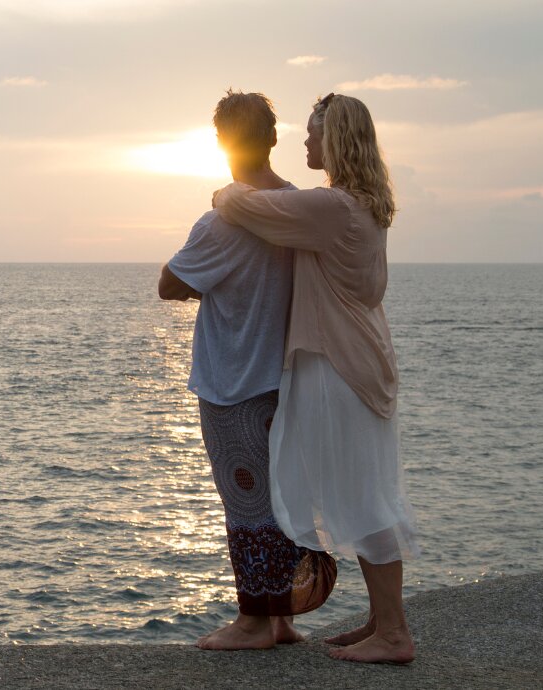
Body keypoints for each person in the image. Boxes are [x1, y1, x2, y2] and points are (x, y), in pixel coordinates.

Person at [212, 92, 420, 664]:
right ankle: (382, 622)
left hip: (337, 365)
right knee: (368, 489)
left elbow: (245, 206)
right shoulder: (365, 205)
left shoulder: (330, 208)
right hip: (361, 359)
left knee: (361, 499)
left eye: (313, 133)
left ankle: (395, 634)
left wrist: (223, 191)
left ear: (338, 140)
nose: (304, 142)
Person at [158, 89, 336, 651]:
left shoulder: (221, 221)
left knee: (246, 502)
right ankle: (281, 618)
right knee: (285, 499)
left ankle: (254, 623)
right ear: (275, 138)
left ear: (221, 143)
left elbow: (170, 284)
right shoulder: (299, 206)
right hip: (291, 377)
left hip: (234, 381)